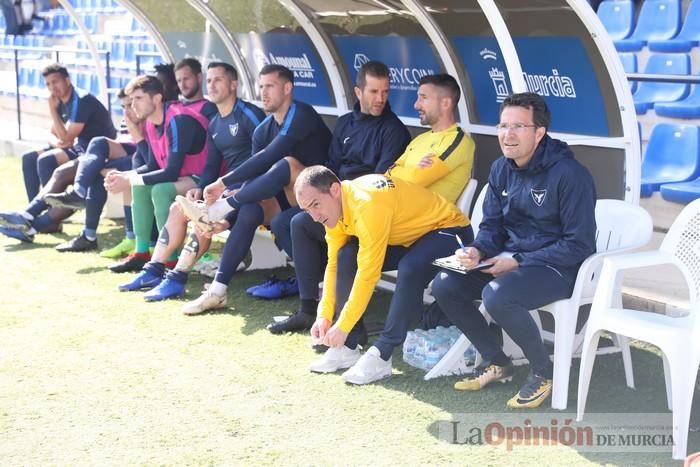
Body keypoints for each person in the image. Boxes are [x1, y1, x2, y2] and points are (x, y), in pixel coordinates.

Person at [268, 72, 473, 334]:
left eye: (422, 98)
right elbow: (391, 177)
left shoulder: (458, 139)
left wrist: (404, 173)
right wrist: (404, 173)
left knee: (351, 252)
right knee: (322, 237)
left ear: (445, 103)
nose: (415, 104)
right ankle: (329, 321)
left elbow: (408, 180)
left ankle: (369, 336)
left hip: (428, 228)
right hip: (393, 219)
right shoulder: (420, 141)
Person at [430, 92, 596, 409]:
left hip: (559, 267)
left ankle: (543, 372)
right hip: (511, 262)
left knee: (498, 295)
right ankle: (498, 361)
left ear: (539, 133)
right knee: (445, 285)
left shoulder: (570, 175)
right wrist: (478, 250)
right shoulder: (500, 168)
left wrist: (517, 260)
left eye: (518, 126)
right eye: (503, 125)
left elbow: (579, 244)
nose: (508, 134)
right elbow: (492, 226)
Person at [178, 64, 332, 315]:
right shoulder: (263, 130)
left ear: (287, 88)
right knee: (249, 209)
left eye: (269, 86)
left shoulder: (301, 113)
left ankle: (217, 210)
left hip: (326, 195)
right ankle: (217, 290)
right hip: (293, 198)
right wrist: (228, 221)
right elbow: (256, 177)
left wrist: (223, 184)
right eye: (261, 86)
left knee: (286, 164)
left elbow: (273, 155)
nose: (263, 92)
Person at [296, 166, 472, 384]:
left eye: (315, 205)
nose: (314, 217)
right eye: (307, 210)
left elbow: (368, 274)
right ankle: (348, 346)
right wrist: (324, 314)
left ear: (334, 190)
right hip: (410, 237)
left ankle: (383, 353)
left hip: (450, 230)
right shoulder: (336, 209)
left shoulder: (367, 203)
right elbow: (333, 265)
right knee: (346, 254)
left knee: (410, 267)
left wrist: (342, 324)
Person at [118, 62, 265, 299]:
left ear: (233, 84)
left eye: (218, 80)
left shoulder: (249, 114)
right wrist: (200, 187)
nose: (212, 85)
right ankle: (153, 269)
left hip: (253, 190)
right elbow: (211, 165)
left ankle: (177, 277)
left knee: (202, 218)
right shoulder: (216, 122)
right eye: (209, 81)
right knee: (180, 207)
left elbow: (265, 159)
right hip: (227, 188)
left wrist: (233, 187)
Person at [102, 74, 209, 274]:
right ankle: (141, 253)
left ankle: (169, 259)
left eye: (138, 98)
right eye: (131, 100)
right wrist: (124, 175)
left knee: (160, 190)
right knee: (140, 187)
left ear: (157, 98)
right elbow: (152, 165)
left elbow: (171, 171)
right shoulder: (151, 122)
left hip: (205, 180)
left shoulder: (178, 119)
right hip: (183, 178)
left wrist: (129, 178)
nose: (133, 105)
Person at [0, 63, 116, 243]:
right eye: (48, 84)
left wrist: (52, 111)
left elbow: (68, 138)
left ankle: (44, 218)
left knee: (46, 160)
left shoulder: (81, 99)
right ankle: (32, 215)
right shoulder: (61, 100)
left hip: (94, 149)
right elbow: (53, 134)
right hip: (77, 145)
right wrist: (59, 142)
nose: (52, 88)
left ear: (67, 80)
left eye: (55, 82)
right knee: (30, 158)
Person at [45, 88, 144, 253]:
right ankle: (89, 234)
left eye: (131, 104)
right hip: (125, 152)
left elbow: (143, 148)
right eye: (124, 106)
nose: (128, 109)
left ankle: (124, 237)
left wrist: (133, 124)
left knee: (97, 156)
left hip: (140, 158)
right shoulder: (128, 118)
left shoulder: (147, 118)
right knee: (95, 162)